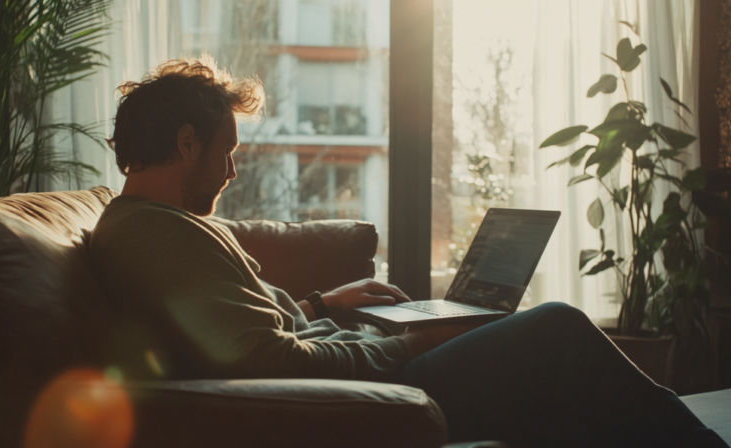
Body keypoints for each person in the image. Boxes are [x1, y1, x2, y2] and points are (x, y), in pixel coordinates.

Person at [89, 55, 726, 448]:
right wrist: (406, 344)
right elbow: (267, 360)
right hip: (361, 397)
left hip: (355, 371)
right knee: (555, 327)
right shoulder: (153, 233)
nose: (231, 170)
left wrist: (319, 302)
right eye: (226, 150)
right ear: (184, 143)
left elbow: (241, 327)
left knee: (539, 365)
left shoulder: (156, 224)